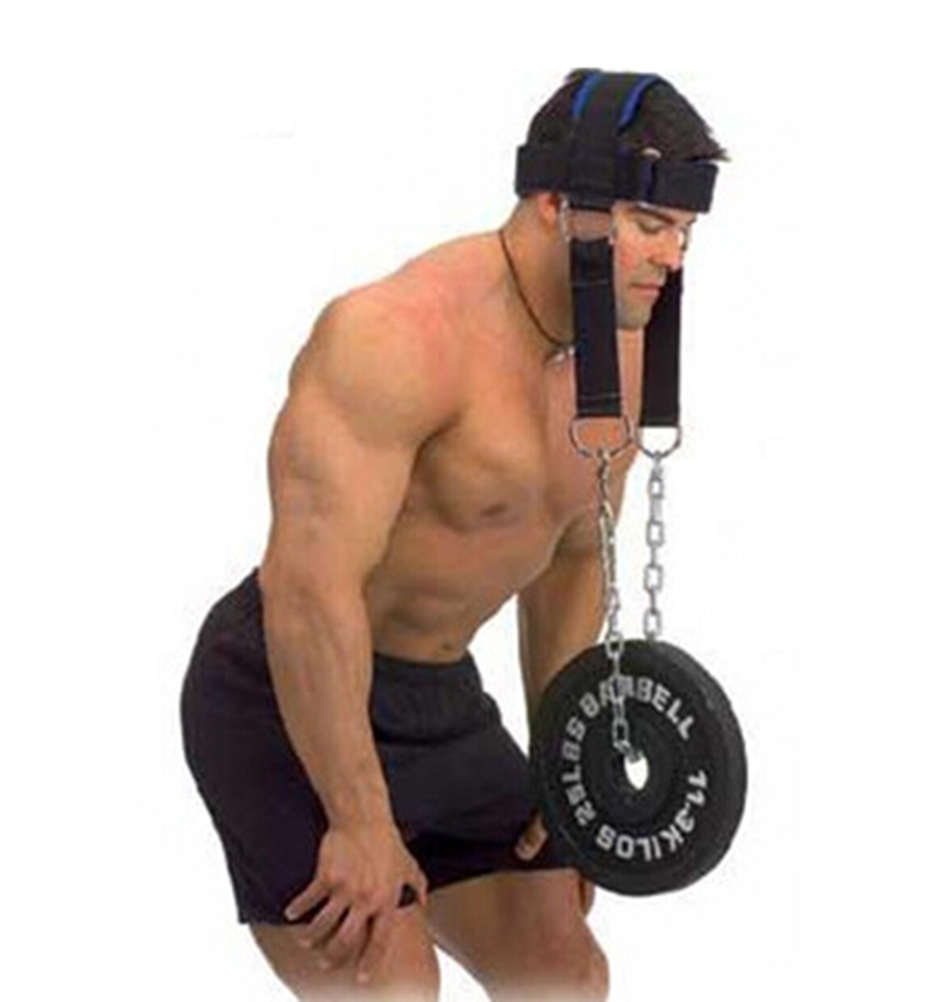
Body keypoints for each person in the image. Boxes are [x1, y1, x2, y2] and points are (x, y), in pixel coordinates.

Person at [180, 69, 728, 1001]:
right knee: (394, 983)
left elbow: (573, 558)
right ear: (557, 203)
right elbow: (310, 593)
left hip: (438, 700)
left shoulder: (622, 359)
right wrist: (359, 819)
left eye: (683, 231)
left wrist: (565, 766)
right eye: (648, 223)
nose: (671, 258)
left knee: (565, 975)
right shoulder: (395, 337)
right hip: (285, 688)